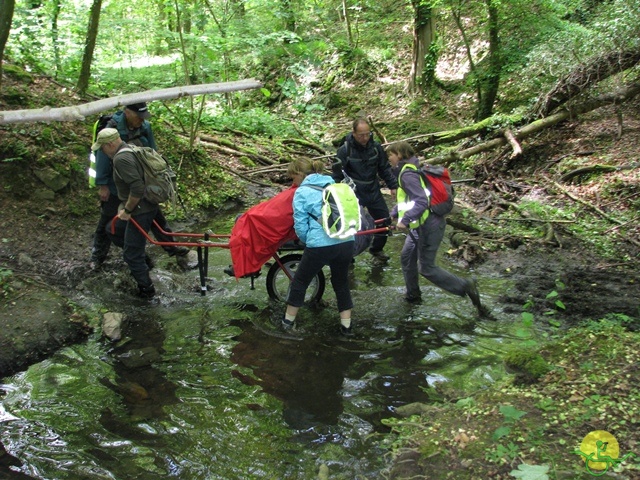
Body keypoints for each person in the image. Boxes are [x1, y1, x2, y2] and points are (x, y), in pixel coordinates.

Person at [386, 141, 487, 315]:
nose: (388, 159)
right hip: (421, 225)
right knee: (407, 257)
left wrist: (405, 220)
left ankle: (465, 285)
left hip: (429, 225)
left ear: (399, 154)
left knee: (426, 267)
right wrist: (395, 212)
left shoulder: (407, 174)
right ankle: (413, 296)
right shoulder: (412, 169)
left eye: (390, 155)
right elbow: (412, 199)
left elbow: (421, 201)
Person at [89, 103, 188, 270]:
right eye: (138, 116)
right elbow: (102, 159)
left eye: (144, 117)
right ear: (127, 112)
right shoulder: (111, 130)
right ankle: (97, 258)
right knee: (107, 221)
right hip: (116, 185)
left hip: (141, 184)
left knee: (156, 217)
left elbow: (152, 152)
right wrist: (103, 184)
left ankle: (172, 248)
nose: (142, 121)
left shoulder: (145, 127)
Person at [283, 159, 356, 335]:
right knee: (341, 283)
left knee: (300, 282)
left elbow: (300, 224)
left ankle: (287, 324)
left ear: (300, 174)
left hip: (319, 245)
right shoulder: (334, 184)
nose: (293, 181)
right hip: (347, 241)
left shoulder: (302, 192)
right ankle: (346, 328)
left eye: (293, 177)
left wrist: (309, 240)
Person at [92, 128, 158, 298]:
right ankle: (145, 262)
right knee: (112, 230)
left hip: (140, 210)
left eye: (103, 147)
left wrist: (128, 209)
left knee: (131, 255)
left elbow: (137, 187)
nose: (103, 152)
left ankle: (147, 291)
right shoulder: (129, 148)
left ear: (111, 144)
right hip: (145, 205)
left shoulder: (121, 158)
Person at [333, 117, 398, 262]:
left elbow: (384, 168)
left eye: (367, 134)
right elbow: (337, 175)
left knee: (384, 221)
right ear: (353, 133)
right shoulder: (345, 150)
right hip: (353, 193)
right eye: (361, 135)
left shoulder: (376, 148)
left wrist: (393, 186)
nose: (364, 138)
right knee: (351, 225)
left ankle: (377, 250)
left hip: (373, 189)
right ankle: (349, 255)